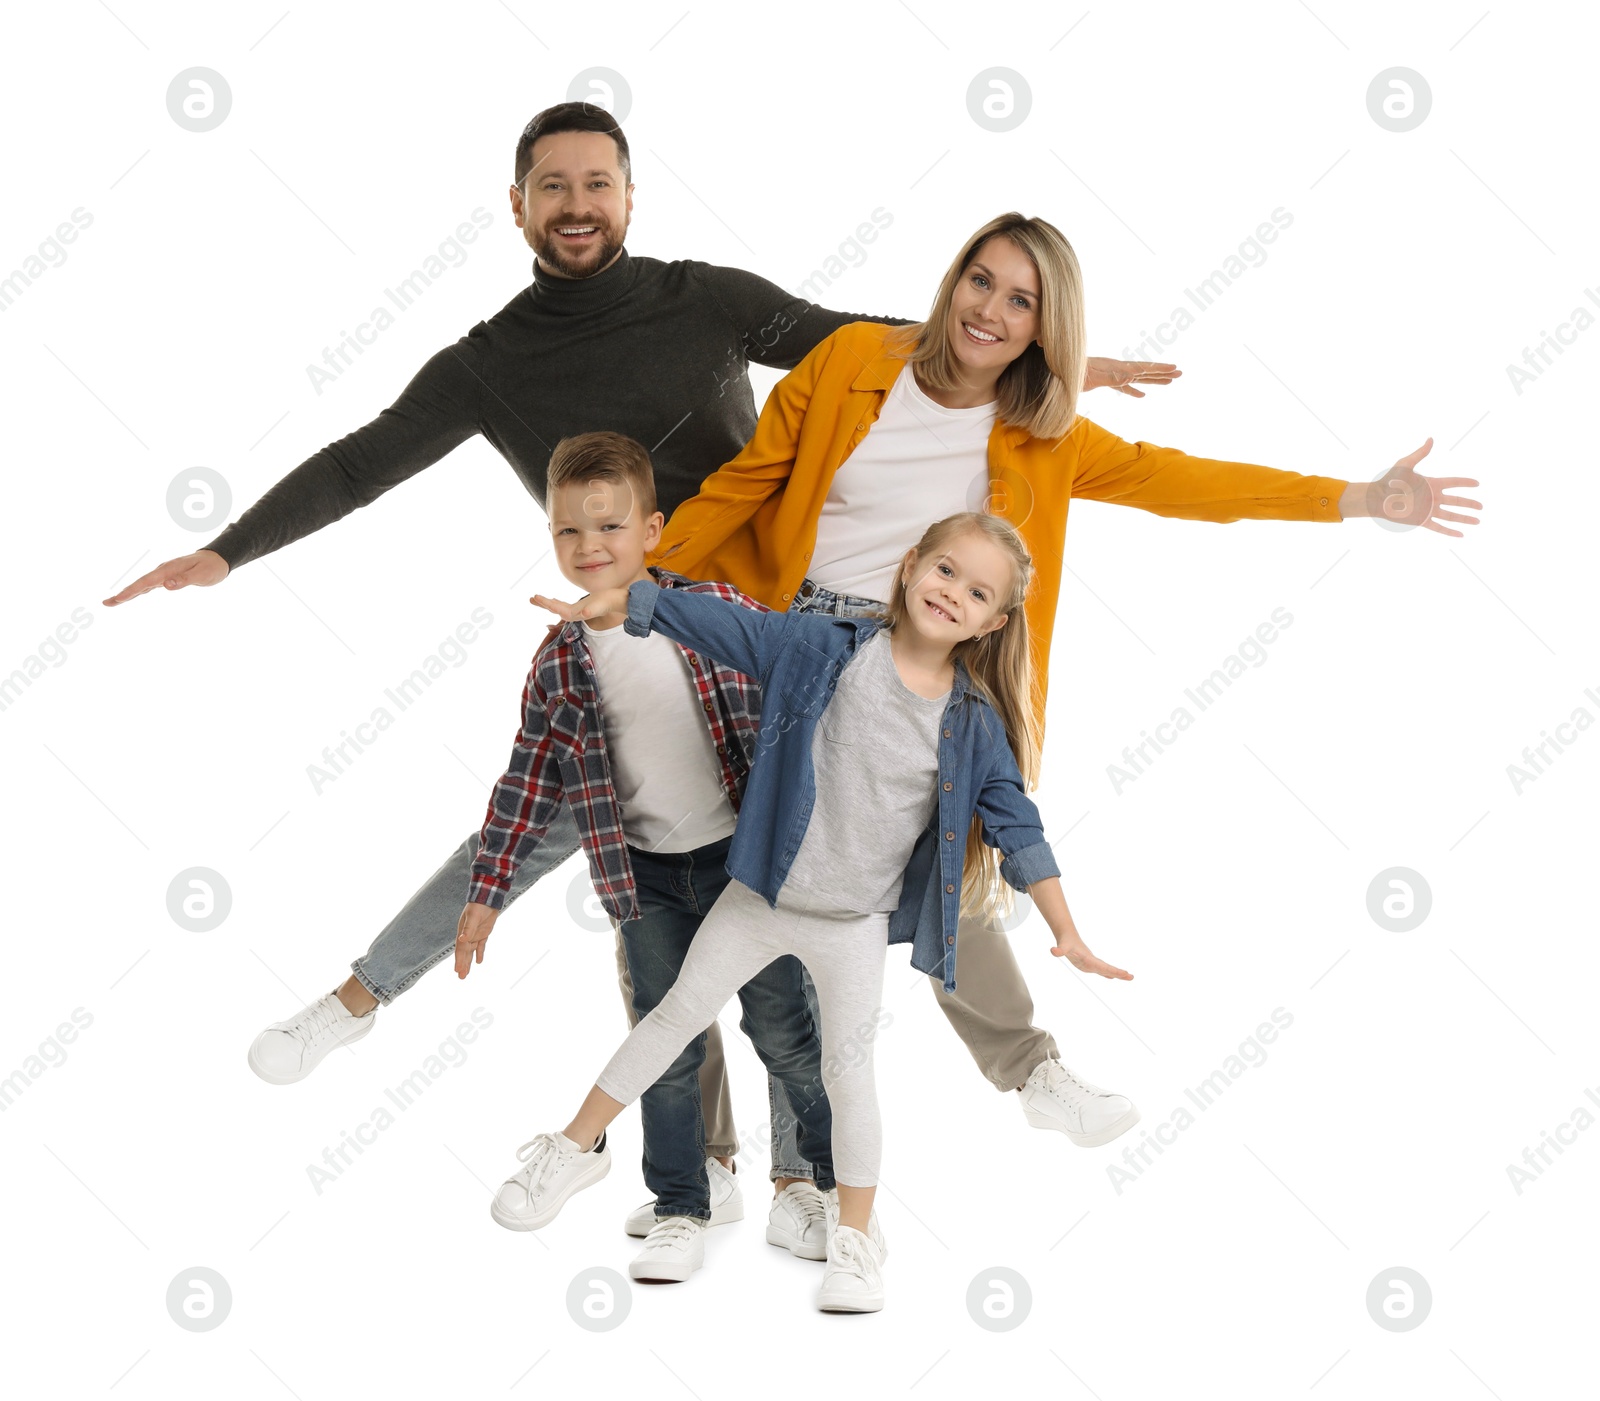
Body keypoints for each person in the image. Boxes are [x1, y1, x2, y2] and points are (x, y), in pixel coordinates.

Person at [101, 103, 1172, 1220]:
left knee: (899, 828)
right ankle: (402, 1020)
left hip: (759, 641)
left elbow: (871, 342)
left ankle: (1005, 1082)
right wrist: (227, 552)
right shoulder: (487, 364)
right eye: (552, 187)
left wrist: (1042, 363)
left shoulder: (703, 299)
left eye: (596, 183)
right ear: (516, 206)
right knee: (601, 860)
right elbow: (361, 461)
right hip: (627, 638)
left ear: (627, 195)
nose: (576, 205)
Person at [638, 211, 1482, 1161]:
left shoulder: (1045, 435)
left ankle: (1022, 1077)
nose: (990, 308)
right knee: (728, 886)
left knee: (945, 861)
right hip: (798, 648)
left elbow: (1185, 483)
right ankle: (711, 1168)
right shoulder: (846, 362)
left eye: (1022, 300)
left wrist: (1357, 499)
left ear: (1047, 327)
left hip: (918, 658)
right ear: (952, 279)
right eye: (981, 281)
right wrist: (644, 576)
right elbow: (749, 481)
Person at [505, 510, 1132, 1312]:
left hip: (853, 925)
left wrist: (1066, 928)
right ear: (910, 565)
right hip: (762, 896)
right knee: (668, 1020)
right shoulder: (822, 647)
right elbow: (725, 627)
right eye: (944, 570)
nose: (953, 594)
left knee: (847, 1073)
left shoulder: (972, 722)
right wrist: (628, 602)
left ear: (994, 621)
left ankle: (856, 1241)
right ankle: (570, 1149)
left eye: (976, 591)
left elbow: (1017, 825)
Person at [461, 430, 840, 1281]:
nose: (590, 547)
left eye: (610, 527)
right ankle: (680, 1205)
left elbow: (800, 685)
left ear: (655, 530)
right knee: (668, 1046)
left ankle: (812, 1183)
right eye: (569, 532)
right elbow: (527, 778)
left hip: (746, 868)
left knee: (786, 1030)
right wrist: (489, 887)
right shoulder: (558, 660)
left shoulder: (711, 611)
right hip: (646, 880)